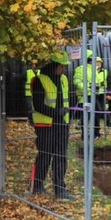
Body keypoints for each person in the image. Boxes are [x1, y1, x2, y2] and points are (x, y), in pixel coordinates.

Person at [31, 51, 71, 199]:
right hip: (45, 125)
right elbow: (38, 105)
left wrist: (68, 113)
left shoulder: (64, 80)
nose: (64, 70)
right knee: (45, 155)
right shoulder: (40, 80)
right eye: (62, 66)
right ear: (53, 66)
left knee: (61, 156)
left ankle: (60, 189)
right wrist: (56, 112)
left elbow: (68, 99)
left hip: (62, 124)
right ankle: (38, 185)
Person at [73, 50, 104, 140]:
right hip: (85, 97)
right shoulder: (81, 69)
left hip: (95, 96)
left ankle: (96, 134)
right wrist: (87, 88)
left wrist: (100, 90)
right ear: (89, 59)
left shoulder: (94, 70)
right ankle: (85, 136)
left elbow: (98, 83)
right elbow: (77, 81)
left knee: (97, 114)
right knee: (86, 117)